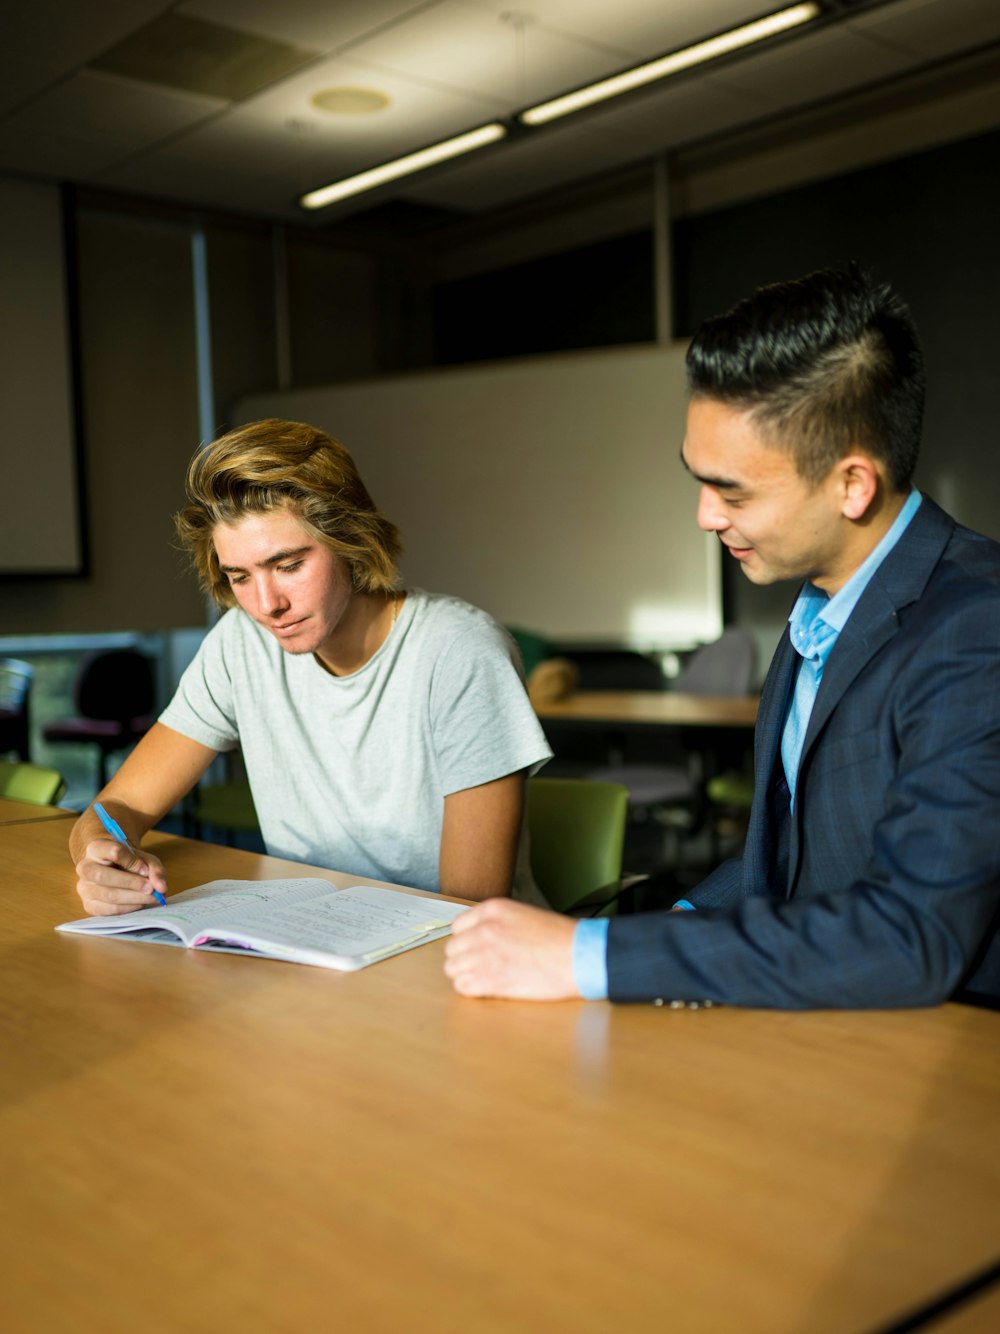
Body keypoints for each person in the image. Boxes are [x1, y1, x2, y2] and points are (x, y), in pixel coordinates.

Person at [444, 266, 1000, 1009]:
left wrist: (592, 956)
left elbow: (910, 936)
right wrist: (680, 923)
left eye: (732, 490)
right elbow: (787, 852)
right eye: (698, 481)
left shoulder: (977, 629)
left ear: (852, 485)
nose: (706, 516)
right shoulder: (820, 607)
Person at [71, 419, 551, 914]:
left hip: (444, 954)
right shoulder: (240, 642)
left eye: (289, 565)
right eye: (239, 576)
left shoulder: (461, 651)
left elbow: (467, 909)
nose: (266, 604)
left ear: (350, 540)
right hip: (308, 937)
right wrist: (99, 857)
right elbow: (115, 809)